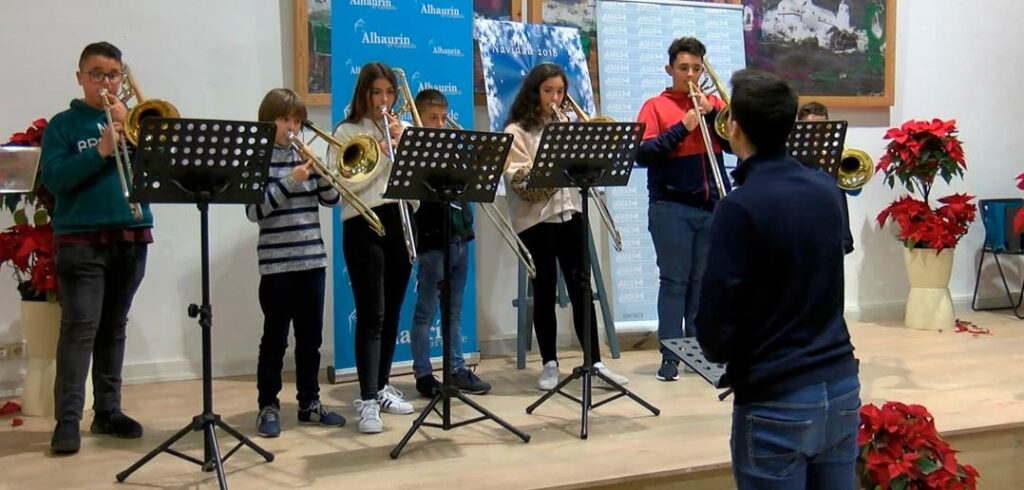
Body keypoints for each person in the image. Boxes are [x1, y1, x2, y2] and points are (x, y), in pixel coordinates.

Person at [695, 69, 860, 490]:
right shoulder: (826, 188)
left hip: (777, 397)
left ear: (734, 127)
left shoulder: (739, 207)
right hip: (840, 384)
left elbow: (716, 323)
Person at [40, 42, 151, 454]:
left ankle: (108, 411)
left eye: (113, 75)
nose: (106, 82)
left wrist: (136, 134)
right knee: (79, 329)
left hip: (131, 232)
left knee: (113, 328)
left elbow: (160, 170)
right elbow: (55, 179)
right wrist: (102, 150)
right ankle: (67, 420)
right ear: (80, 77)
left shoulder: (136, 121)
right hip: (80, 239)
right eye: (97, 74)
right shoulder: (63, 125)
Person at [503, 63, 629, 391]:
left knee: (581, 289)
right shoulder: (517, 131)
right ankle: (549, 363)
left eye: (560, 91)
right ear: (535, 92)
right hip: (536, 220)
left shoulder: (570, 126)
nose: (555, 98)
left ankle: (595, 362)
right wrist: (553, 156)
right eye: (548, 91)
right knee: (543, 292)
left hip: (572, 212)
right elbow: (518, 180)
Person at [246, 88, 346, 438]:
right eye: (285, 120)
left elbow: (332, 202)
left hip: (312, 260)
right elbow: (254, 211)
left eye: (298, 122)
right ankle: (268, 406)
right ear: (269, 120)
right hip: (276, 266)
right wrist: (291, 180)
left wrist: (323, 174)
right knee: (274, 340)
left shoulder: (305, 156)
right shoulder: (257, 159)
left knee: (310, 340)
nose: (293, 128)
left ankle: (309, 403)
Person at [634, 37, 731, 382]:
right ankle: (671, 355)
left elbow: (735, 144)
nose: (690, 75)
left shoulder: (714, 104)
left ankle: (701, 350)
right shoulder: (655, 106)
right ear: (670, 69)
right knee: (674, 282)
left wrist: (715, 112)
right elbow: (643, 155)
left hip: (712, 206)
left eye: (696, 68)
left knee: (702, 284)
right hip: (671, 206)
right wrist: (683, 126)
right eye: (683, 68)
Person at [330, 62, 417, 434]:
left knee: (393, 310)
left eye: (388, 93)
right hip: (363, 223)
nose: (383, 100)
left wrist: (405, 145)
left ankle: (381, 387)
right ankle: (366, 400)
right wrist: (380, 150)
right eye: (376, 92)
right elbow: (337, 186)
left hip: (399, 219)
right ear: (364, 93)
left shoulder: (403, 128)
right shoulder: (346, 131)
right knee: (372, 313)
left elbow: (419, 182)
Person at [408, 89, 491, 398]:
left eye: (443, 118)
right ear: (417, 118)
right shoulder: (413, 151)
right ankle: (423, 374)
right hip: (432, 240)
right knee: (425, 311)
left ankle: (455, 369)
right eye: (432, 118)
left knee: (453, 312)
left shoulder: (454, 148)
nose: (440, 124)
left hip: (460, 236)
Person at [797, 101, 855, 253]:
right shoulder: (792, 156)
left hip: (834, 231)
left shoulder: (837, 153)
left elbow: (855, 191)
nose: (816, 133)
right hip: (801, 231)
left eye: (821, 128)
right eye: (810, 128)